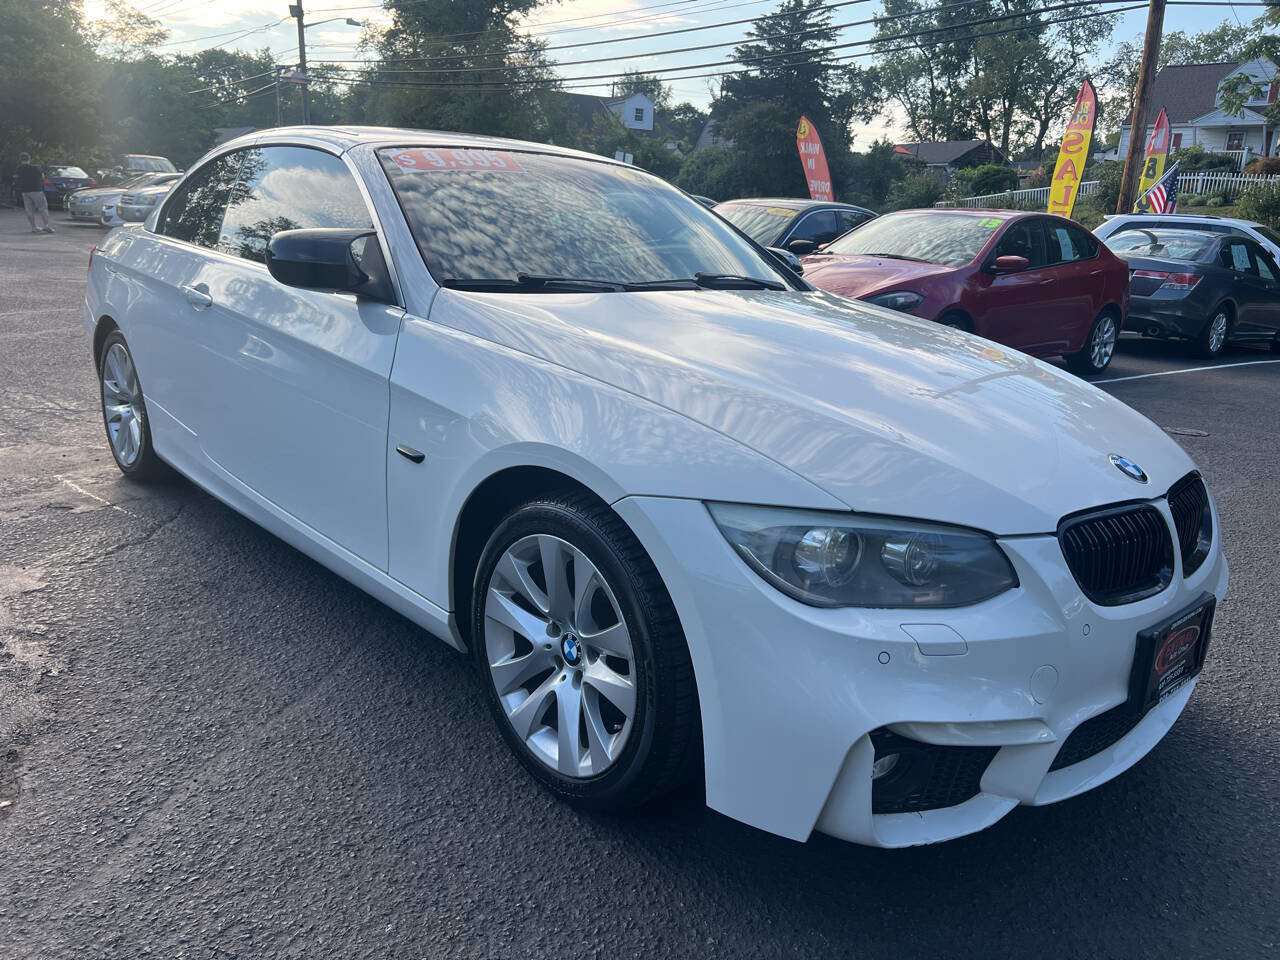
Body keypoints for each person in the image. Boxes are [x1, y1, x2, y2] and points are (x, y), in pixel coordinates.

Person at [15, 152, 53, 234]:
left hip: (25, 191)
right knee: (43, 208)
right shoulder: (36, 167)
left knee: (29, 210)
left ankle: (33, 227)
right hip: (37, 190)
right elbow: (43, 177)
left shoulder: (19, 169)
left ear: (20, 160)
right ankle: (46, 226)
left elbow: (17, 178)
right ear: (29, 159)